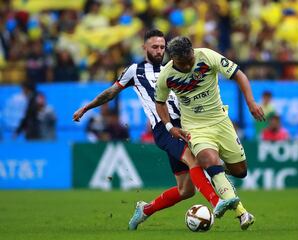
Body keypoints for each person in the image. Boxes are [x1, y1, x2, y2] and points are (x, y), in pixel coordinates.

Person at [72, 30, 238, 230]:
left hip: (187, 123)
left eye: (162, 47)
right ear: (144, 48)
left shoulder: (174, 67)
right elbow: (111, 92)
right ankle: (215, 201)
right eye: (154, 47)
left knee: (186, 190)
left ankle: (145, 210)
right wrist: (87, 107)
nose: (159, 51)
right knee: (193, 159)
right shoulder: (135, 70)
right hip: (164, 128)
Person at [155, 36, 265, 229]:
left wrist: (251, 103)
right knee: (209, 160)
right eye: (183, 63)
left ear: (192, 51)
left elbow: (239, 75)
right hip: (195, 128)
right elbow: (160, 103)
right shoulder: (166, 75)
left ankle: (215, 171)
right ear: (173, 59)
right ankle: (243, 214)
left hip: (221, 122)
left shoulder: (207, 56)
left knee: (240, 171)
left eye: (190, 60)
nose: (189, 65)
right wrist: (169, 126)